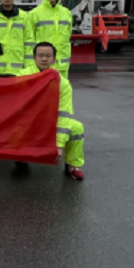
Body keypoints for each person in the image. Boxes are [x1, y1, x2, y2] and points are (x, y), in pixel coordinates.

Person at [19, 42, 84, 180]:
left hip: (50, 122)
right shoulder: (22, 76)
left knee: (77, 128)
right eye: (40, 55)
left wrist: (59, 145)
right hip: (27, 122)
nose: (44, 59)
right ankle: (20, 155)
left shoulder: (62, 83)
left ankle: (73, 165)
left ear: (54, 59)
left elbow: (64, 115)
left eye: (48, 56)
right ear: (34, 58)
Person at [26, 0, 72, 78]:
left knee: (62, 88)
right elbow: (29, 41)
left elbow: (68, 36)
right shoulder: (34, 14)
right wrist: (31, 64)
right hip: (42, 66)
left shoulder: (67, 13)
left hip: (62, 66)